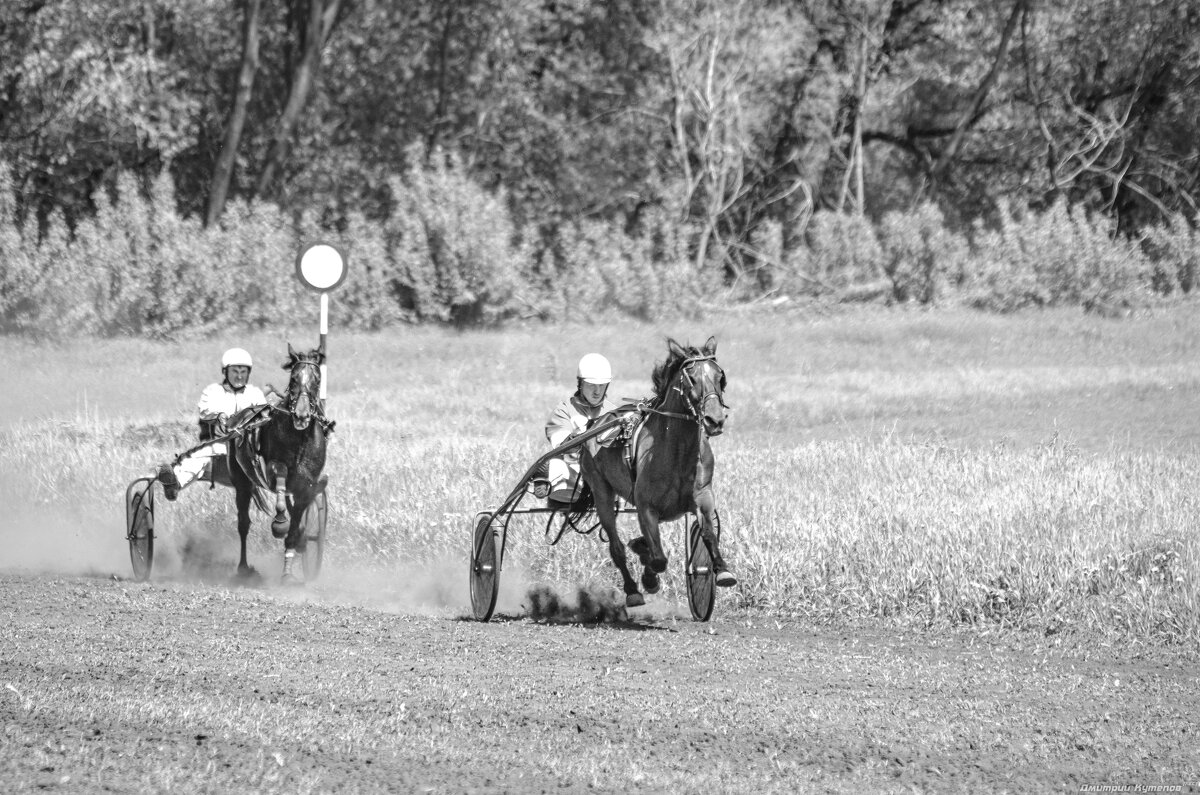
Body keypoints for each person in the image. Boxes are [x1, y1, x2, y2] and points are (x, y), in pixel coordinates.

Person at [155, 347, 273, 501]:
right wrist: (221, 417)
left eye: (243, 372)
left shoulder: (255, 393)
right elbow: (205, 411)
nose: (239, 376)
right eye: (234, 371)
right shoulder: (213, 392)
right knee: (199, 457)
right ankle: (174, 484)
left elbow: (265, 416)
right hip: (222, 446)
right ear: (225, 372)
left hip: (252, 447)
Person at [537, 353, 619, 505]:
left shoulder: (614, 413)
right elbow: (560, 444)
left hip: (605, 476)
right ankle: (550, 486)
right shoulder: (565, 410)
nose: (597, 391)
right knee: (555, 464)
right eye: (591, 385)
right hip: (573, 479)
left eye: (601, 386)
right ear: (580, 384)